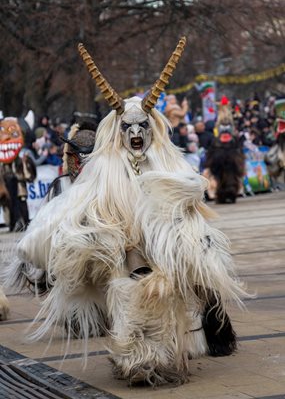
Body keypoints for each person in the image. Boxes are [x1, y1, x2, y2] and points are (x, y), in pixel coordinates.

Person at [6, 37, 246, 387]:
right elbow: (79, 204)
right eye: (128, 128)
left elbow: (189, 197)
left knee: (165, 298)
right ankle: (134, 360)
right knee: (126, 300)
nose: (135, 133)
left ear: (152, 129)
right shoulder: (104, 171)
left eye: (142, 127)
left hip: (160, 252)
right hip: (121, 253)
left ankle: (167, 357)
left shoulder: (167, 164)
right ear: (118, 133)